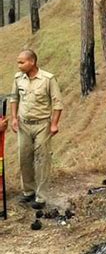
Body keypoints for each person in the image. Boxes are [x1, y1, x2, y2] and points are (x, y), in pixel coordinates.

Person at [9, 50, 63, 209]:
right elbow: (14, 98)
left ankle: (41, 197)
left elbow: (57, 103)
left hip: (42, 125)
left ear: (32, 62)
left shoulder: (48, 79)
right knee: (24, 158)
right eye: (18, 62)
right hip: (23, 125)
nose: (19, 65)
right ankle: (28, 192)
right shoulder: (18, 78)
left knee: (41, 160)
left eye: (22, 62)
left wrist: (54, 124)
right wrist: (13, 118)